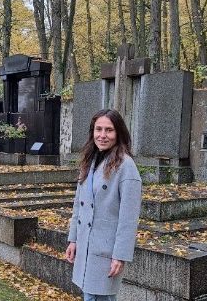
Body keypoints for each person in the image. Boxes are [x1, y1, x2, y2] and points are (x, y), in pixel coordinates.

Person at [65, 109, 142, 301]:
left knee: (99, 296)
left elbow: (129, 218)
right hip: (86, 246)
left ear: (118, 133)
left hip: (106, 252)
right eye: (98, 129)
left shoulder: (126, 166)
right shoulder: (90, 160)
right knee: (89, 295)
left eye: (109, 130)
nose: (102, 135)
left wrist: (120, 255)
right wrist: (73, 239)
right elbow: (79, 205)